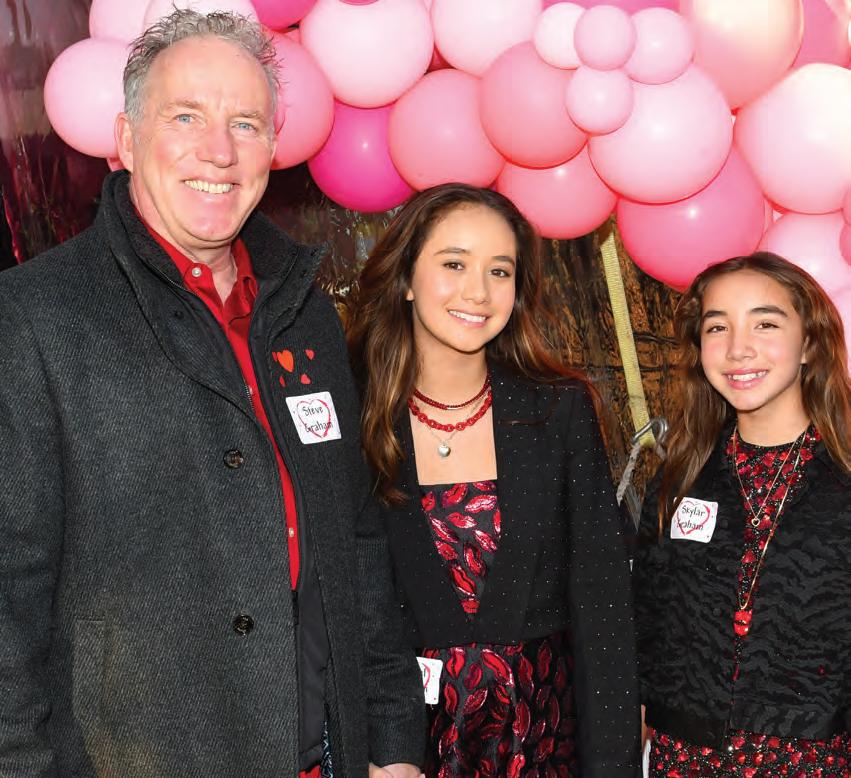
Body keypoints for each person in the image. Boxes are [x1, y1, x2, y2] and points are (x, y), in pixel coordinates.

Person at [0, 9, 425, 778]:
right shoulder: (33, 318)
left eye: (245, 124)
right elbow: (8, 599)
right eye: (186, 116)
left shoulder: (304, 311)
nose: (219, 151)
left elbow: (354, 537)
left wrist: (392, 739)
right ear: (127, 139)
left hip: (326, 752)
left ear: (273, 145)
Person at [346, 183, 641, 778]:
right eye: (454, 264)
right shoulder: (351, 417)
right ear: (406, 277)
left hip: (545, 745)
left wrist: (613, 762)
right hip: (405, 753)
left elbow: (603, 605)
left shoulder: (558, 410)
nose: (478, 291)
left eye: (499, 271)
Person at [633, 252, 851, 776]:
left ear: (809, 344)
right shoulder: (680, 477)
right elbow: (645, 629)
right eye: (717, 327)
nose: (738, 348)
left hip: (812, 761)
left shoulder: (843, 476)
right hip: (683, 758)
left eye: (765, 323)